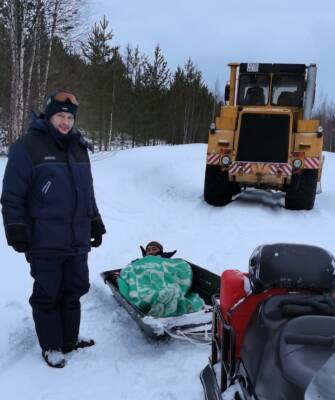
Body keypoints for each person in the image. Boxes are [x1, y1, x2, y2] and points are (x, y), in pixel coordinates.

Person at [1, 90, 106, 368]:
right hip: (44, 238)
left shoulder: (79, 146)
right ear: (48, 116)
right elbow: (12, 194)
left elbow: (87, 192)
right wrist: (15, 227)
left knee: (74, 288)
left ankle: (69, 339)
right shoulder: (28, 147)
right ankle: (52, 346)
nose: (65, 122)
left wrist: (94, 220)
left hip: (76, 236)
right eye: (60, 115)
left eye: (69, 117)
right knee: (48, 292)